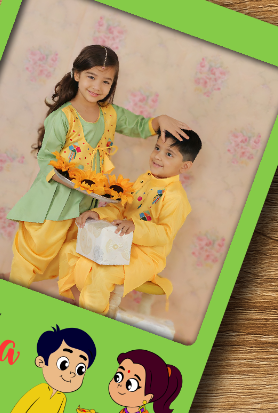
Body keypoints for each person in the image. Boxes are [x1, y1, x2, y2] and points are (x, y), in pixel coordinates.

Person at [7, 44, 190, 288]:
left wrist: (161, 120)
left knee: (70, 253)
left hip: (83, 204)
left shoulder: (110, 114)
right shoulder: (63, 117)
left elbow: (138, 125)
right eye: (91, 77)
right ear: (77, 75)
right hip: (53, 201)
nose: (97, 86)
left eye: (106, 81)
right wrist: (68, 181)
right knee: (35, 253)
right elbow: (46, 157)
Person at [58, 129, 201, 316]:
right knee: (69, 249)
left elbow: (165, 233)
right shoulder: (144, 180)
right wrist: (97, 214)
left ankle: (91, 320)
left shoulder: (176, 198)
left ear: (184, 166)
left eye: (168, 154)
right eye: (157, 148)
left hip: (145, 255)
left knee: (102, 274)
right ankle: (74, 301)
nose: (158, 156)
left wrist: (136, 227)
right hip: (120, 243)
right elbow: (122, 209)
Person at [9, 325, 97, 413]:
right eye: (64, 364)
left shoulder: (62, 398)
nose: (72, 372)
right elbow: (19, 411)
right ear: (41, 361)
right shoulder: (40, 389)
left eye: (80, 369)